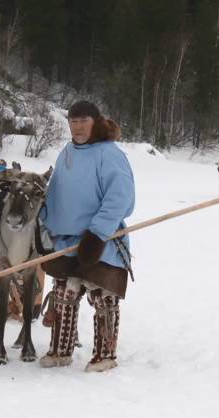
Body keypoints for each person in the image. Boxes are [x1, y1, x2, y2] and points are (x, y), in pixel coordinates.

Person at [39, 100, 135, 372]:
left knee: (102, 295)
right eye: (73, 121)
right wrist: (43, 223)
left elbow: (120, 197)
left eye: (83, 121)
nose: (78, 127)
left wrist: (97, 234)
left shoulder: (109, 154)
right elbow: (55, 193)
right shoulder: (66, 153)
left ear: (96, 122)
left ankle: (105, 355)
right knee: (64, 294)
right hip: (65, 239)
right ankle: (60, 350)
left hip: (101, 240)